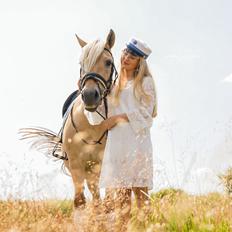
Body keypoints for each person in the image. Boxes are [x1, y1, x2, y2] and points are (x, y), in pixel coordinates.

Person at [99, 37, 157, 228]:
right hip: (117, 146)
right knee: (121, 203)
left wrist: (118, 118)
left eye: (133, 55)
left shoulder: (145, 82)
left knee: (142, 200)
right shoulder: (113, 84)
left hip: (138, 146)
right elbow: (101, 112)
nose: (126, 57)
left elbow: (147, 115)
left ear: (140, 60)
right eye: (125, 51)